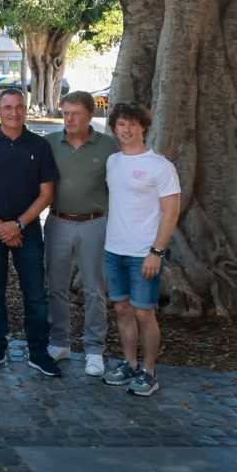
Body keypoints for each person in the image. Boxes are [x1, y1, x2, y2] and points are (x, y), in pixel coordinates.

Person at [0, 88, 61, 376]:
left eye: (19, 107)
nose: (14, 113)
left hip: (27, 230)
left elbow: (47, 193)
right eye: (7, 107)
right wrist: (0, 227)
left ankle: (38, 352)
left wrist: (18, 224)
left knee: (35, 293)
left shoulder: (39, 146)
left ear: (26, 109)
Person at [100, 103, 181, 397]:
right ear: (114, 128)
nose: (127, 129)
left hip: (144, 253)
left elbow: (171, 211)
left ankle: (149, 371)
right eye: (121, 124)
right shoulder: (113, 162)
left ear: (143, 127)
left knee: (144, 313)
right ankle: (130, 364)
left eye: (133, 124)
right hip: (114, 250)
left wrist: (156, 252)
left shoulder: (160, 166)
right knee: (122, 309)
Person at [43, 91, 118, 376]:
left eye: (76, 114)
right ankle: (59, 342)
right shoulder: (50, 143)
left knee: (95, 288)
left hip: (94, 223)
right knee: (56, 286)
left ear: (89, 115)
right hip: (58, 221)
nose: (69, 119)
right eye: (65, 113)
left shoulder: (108, 146)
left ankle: (94, 349)